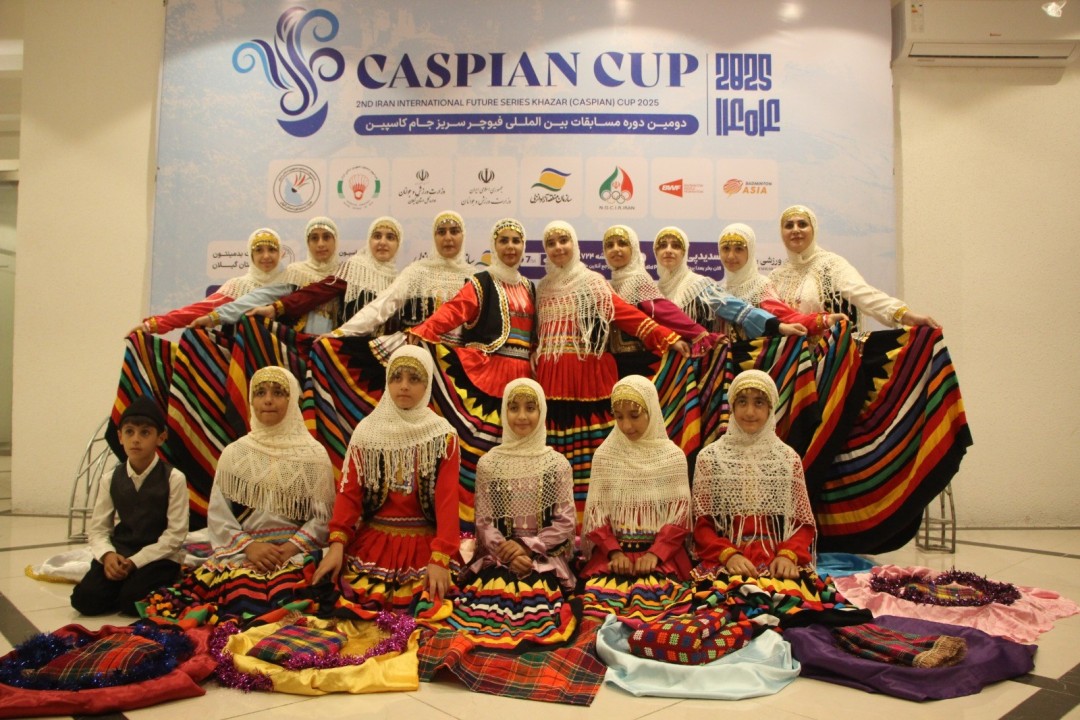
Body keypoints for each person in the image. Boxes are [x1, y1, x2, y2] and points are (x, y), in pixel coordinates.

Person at [140, 366, 335, 624]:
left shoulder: (314, 455)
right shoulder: (234, 454)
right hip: (245, 553)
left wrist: (291, 547)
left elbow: (323, 517)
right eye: (260, 393)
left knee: (299, 596)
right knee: (239, 598)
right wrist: (250, 547)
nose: (268, 400)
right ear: (251, 400)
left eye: (278, 393)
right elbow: (219, 516)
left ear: (292, 401)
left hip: (296, 553)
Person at [535, 221, 688, 517]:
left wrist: (667, 337)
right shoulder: (542, 288)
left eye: (563, 240)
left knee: (597, 454)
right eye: (551, 243)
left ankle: (600, 519)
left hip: (590, 378)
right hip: (552, 381)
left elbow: (626, 314)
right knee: (557, 453)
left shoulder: (592, 281)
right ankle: (561, 521)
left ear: (574, 244)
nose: (558, 247)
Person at [405, 217, 535, 532]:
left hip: (521, 379)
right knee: (476, 453)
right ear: (494, 245)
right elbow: (454, 310)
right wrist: (424, 331)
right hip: (485, 375)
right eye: (503, 240)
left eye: (516, 241)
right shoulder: (482, 281)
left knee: (516, 454)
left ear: (523, 246)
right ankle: (466, 527)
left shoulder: (530, 286)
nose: (510, 247)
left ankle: (510, 528)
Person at [312, 346, 460, 618]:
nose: (404, 386)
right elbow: (349, 494)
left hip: (424, 544)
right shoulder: (367, 433)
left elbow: (448, 501)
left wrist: (441, 558)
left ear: (428, 384)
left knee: (431, 606)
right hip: (373, 543)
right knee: (343, 601)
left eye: (414, 379)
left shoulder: (443, 437)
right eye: (396, 377)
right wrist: (336, 544)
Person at [447, 379, 578, 648]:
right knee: (483, 611)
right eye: (513, 407)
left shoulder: (556, 464)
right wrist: (507, 552)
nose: (521, 416)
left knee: (541, 610)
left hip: (543, 559)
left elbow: (565, 522)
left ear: (542, 411)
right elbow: (483, 521)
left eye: (530, 408)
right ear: (503, 411)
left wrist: (528, 547)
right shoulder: (489, 464)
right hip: (498, 558)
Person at [578, 376, 694, 622]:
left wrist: (655, 554)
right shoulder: (605, 456)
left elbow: (680, 517)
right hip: (614, 560)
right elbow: (597, 515)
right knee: (598, 616)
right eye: (619, 417)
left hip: (662, 561)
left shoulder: (672, 458)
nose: (626, 425)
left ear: (651, 410)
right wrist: (613, 552)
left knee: (662, 617)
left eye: (634, 415)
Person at [692, 370, 815, 580]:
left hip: (777, 560)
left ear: (770, 408)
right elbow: (701, 525)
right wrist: (728, 556)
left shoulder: (787, 459)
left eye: (759, 403)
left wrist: (788, 555)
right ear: (732, 406)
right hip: (725, 561)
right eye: (742, 402)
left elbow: (803, 524)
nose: (749, 412)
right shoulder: (710, 458)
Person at [72, 397, 188, 616]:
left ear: (161, 437)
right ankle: (121, 585)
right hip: (121, 551)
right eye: (129, 432)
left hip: (159, 555)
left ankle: (135, 586)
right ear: (120, 437)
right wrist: (108, 555)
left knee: (132, 603)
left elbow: (175, 535)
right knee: (84, 600)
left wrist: (135, 562)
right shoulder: (110, 479)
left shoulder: (174, 478)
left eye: (145, 433)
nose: (136, 440)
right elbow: (98, 530)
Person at [766, 205, 939, 330]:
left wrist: (904, 315)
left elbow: (865, 295)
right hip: (788, 361)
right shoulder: (776, 276)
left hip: (830, 359)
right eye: (789, 225)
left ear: (814, 229)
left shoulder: (830, 265)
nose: (795, 230)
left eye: (802, 224)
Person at [330, 210, 475, 351]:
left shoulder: (475, 278)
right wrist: (342, 332)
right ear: (434, 237)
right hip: (417, 353)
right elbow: (382, 305)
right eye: (441, 232)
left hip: (460, 359)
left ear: (463, 236)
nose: (448, 238)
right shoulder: (417, 271)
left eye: (454, 231)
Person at [192, 216, 343, 335]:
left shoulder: (346, 275)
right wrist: (214, 317)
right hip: (299, 347)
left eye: (326, 237)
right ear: (308, 243)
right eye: (314, 238)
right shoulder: (296, 273)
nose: (321, 244)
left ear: (335, 241)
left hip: (336, 346)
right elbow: (261, 296)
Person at [247, 215, 402, 331]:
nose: (382, 242)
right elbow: (316, 292)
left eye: (390, 237)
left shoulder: (401, 282)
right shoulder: (354, 269)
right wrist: (274, 309)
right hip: (341, 346)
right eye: (377, 236)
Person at [654, 225, 807, 341]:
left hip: (698, 362)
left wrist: (779, 326)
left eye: (676, 246)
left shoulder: (698, 286)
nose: (668, 251)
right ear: (655, 252)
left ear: (684, 252)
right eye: (662, 246)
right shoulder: (654, 291)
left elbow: (738, 310)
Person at [131, 227, 284, 336]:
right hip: (244, 362)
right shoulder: (239, 286)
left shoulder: (291, 284)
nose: (266, 256)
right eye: (259, 250)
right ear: (250, 255)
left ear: (280, 253)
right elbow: (197, 311)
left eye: (272, 250)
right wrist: (152, 325)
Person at [717, 222, 846, 335]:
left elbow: (789, 319)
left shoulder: (759, 288)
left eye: (739, 249)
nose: (731, 256)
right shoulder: (718, 291)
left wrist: (824, 320)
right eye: (726, 249)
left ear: (750, 252)